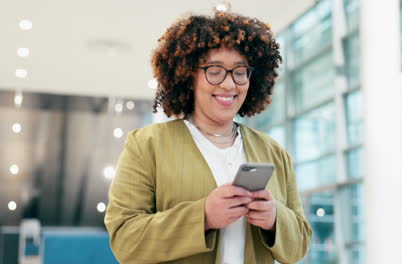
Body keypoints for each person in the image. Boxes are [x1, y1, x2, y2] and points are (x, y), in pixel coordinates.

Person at [104, 10, 312, 264]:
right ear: (188, 75)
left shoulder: (274, 153)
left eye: (239, 71)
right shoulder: (147, 145)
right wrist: (202, 216)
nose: (229, 84)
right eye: (215, 71)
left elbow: (300, 244)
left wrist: (275, 219)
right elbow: (125, 240)